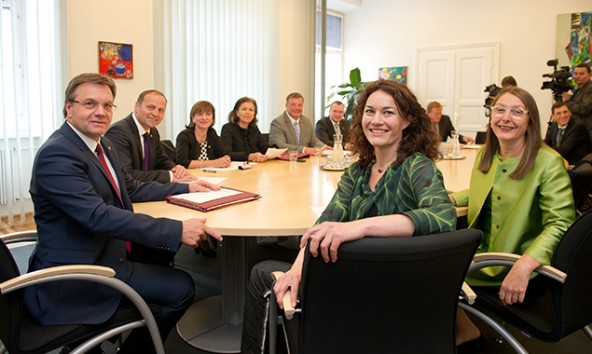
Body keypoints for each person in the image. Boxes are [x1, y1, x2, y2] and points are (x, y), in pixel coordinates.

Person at [241, 80, 457, 354]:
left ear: (408, 120)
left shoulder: (417, 166)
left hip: (383, 289)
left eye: (388, 112)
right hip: (354, 279)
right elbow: (325, 222)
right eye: (369, 112)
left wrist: (359, 227)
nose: (376, 121)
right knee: (285, 273)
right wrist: (298, 269)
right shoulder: (358, 171)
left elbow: (442, 216)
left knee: (261, 273)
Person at [24, 73, 223, 354]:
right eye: (90, 103)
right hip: (81, 271)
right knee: (182, 287)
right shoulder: (58, 154)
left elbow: (130, 188)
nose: (101, 112)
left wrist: (186, 187)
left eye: (107, 105)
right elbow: (98, 216)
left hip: (105, 251)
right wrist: (177, 230)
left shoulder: (101, 144)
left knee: (164, 258)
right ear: (69, 107)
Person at [450, 87, 575, 351]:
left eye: (517, 112)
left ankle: (464, 332)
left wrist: (524, 264)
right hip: (484, 251)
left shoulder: (548, 162)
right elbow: (489, 189)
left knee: (430, 270)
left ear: (531, 121)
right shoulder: (487, 154)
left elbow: (561, 223)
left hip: (512, 261)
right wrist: (453, 199)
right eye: (500, 110)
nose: (506, 118)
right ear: (491, 115)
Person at [105, 89, 196, 184]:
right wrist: (169, 176)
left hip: (147, 188)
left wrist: (175, 168)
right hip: (130, 193)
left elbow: (162, 159)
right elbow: (127, 174)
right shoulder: (118, 131)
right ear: (137, 107)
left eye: (161, 110)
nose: (156, 114)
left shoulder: (152, 131)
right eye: (151, 108)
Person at [175, 100, 231, 169]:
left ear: (213, 119)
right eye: (200, 114)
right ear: (193, 119)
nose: (204, 118)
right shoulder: (184, 136)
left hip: (211, 174)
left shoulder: (211, 133)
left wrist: (226, 158)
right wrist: (214, 163)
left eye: (208, 114)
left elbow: (222, 153)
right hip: (191, 175)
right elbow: (182, 163)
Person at [221, 97, 269, 162]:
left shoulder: (254, 128)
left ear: (254, 114)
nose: (247, 112)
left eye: (251, 110)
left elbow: (264, 148)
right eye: (244, 109)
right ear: (237, 112)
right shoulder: (228, 128)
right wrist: (250, 156)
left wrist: (278, 153)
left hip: (255, 167)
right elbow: (227, 153)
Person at [562, 64, 592, 142]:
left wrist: (567, 102)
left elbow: (584, 108)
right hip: (579, 130)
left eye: (581, 74)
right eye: (575, 74)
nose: (577, 76)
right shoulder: (579, 89)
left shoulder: (590, 88)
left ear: (590, 75)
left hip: (587, 132)